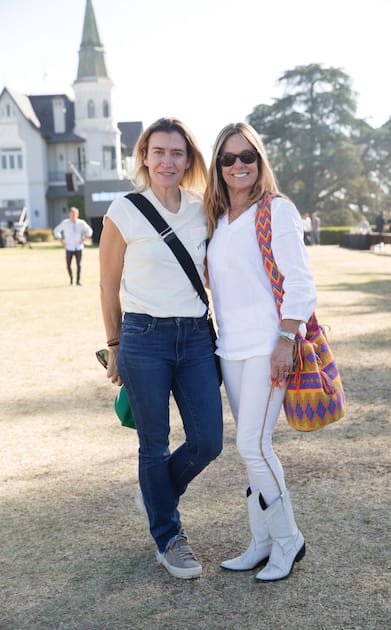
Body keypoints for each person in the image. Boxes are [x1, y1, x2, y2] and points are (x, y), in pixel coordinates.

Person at [99, 117, 223, 580]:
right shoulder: (124, 209)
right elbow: (108, 285)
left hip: (194, 337)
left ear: (188, 159)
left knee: (208, 440)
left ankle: (155, 493)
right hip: (143, 338)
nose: (167, 161)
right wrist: (114, 345)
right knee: (152, 443)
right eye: (158, 152)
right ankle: (169, 538)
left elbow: (218, 270)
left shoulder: (200, 208)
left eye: (177, 153)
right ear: (144, 157)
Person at [204, 122, 317, 582]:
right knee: (249, 450)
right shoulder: (217, 218)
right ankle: (261, 542)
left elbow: (301, 282)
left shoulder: (277, 210)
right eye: (228, 159)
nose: (238, 166)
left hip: (269, 346)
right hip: (230, 348)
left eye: (246, 156)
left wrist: (286, 340)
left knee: (253, 444)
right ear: (218, 166)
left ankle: (288, 540)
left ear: (259, 160)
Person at [53, 207, 92, 285]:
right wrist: (61, 239)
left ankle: (78, 281)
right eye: (72, 214)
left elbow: (89, 230)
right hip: (69, 247)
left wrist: (85, 238)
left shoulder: (81, 223)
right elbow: (56, 230)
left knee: (79, 265)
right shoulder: (65, 223)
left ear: (77, 215)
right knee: (68, 264)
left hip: (78, 247)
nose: (73, 216)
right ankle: (71, 279)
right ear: (69, 215)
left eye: (75, 214)